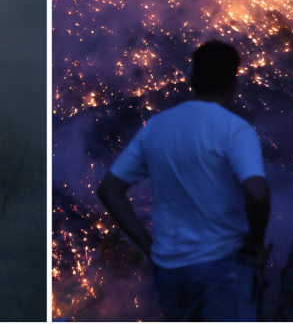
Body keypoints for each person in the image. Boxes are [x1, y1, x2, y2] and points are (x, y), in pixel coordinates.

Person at [97, 40, 271, 322]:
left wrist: (148, 245)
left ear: (191, 80)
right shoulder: (235, 130)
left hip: (169, 269)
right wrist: (256, 242)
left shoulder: (156, 126)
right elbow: (258, 193)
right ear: (234, 82)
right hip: (221, 265)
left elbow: (109, 189)